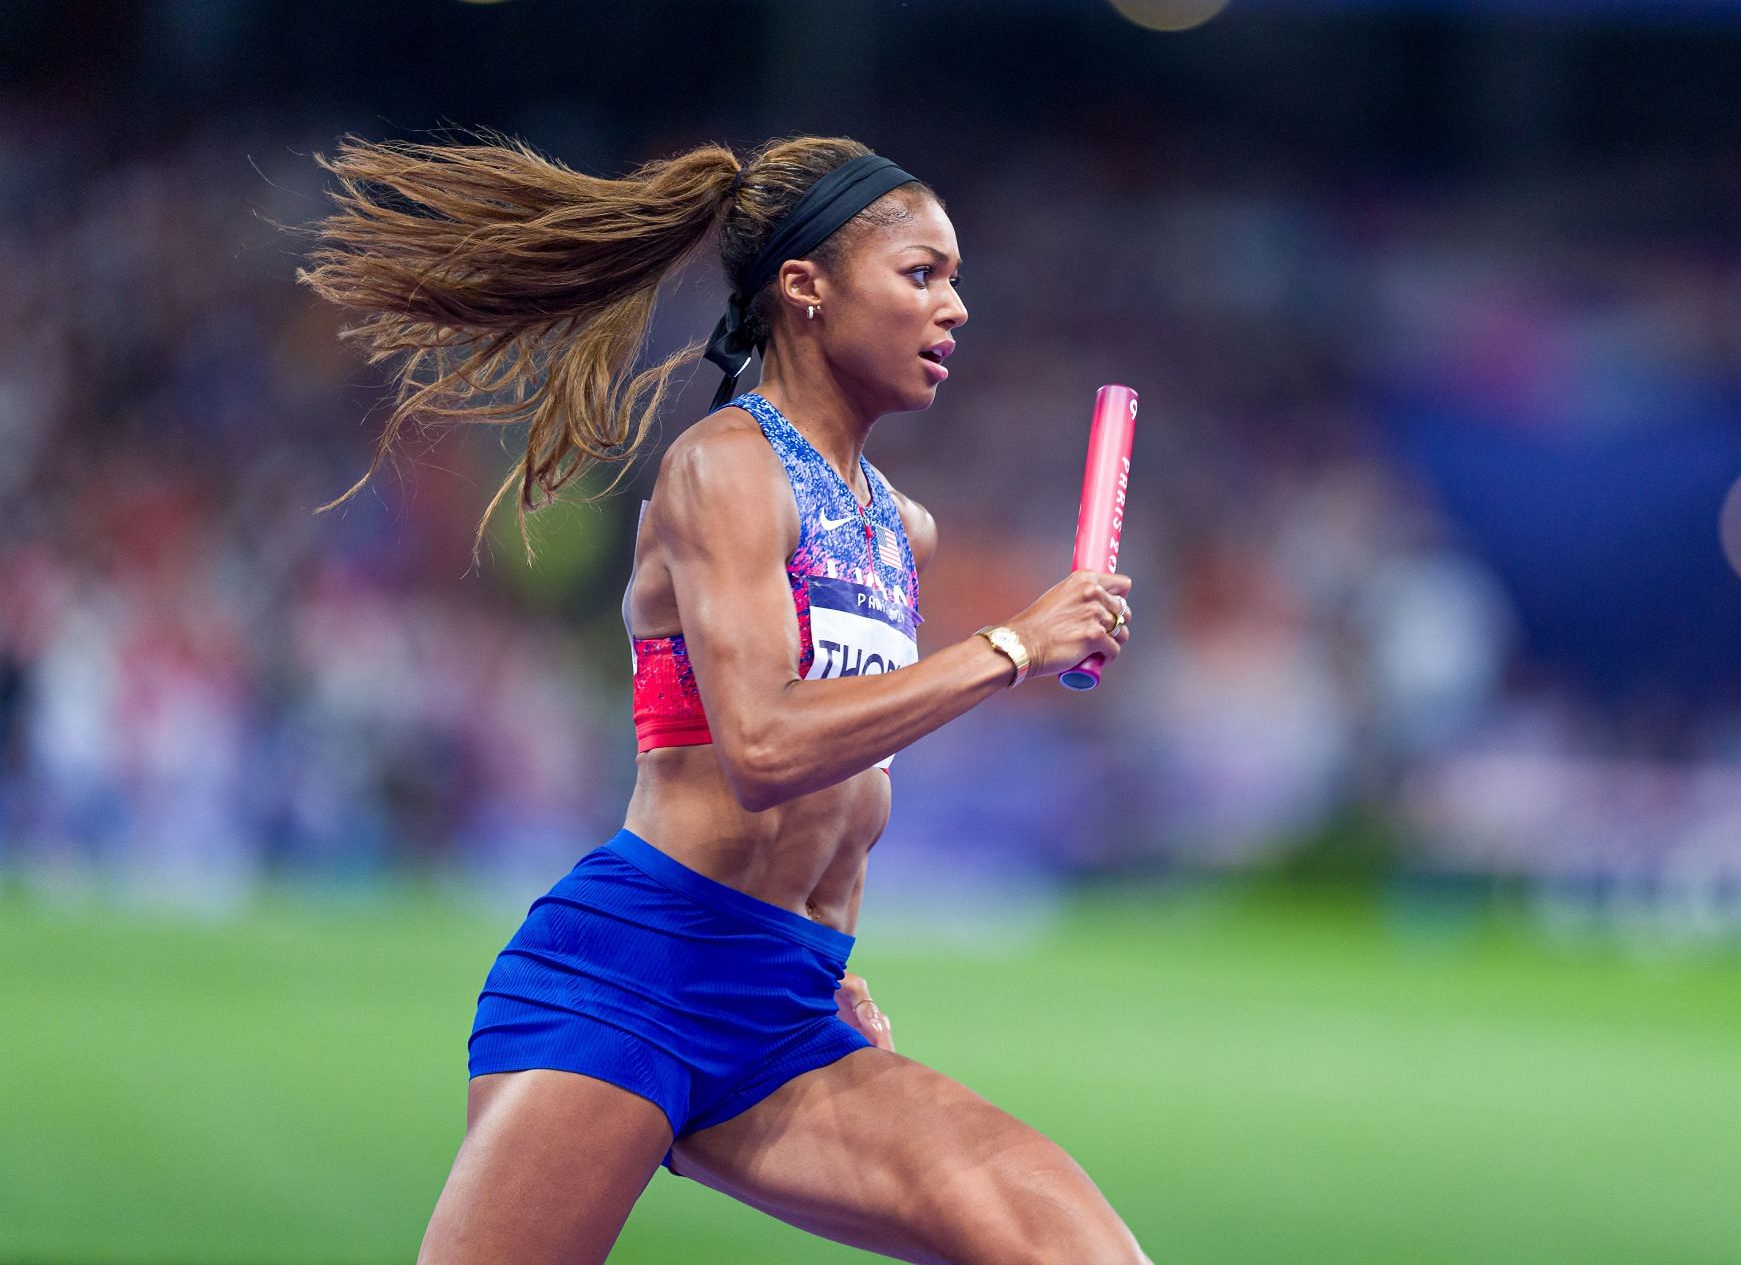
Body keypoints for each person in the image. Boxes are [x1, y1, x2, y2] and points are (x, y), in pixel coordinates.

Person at [295, 130, 1145, 1264]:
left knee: (1074, 1248)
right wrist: (1012, 643)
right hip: (629, 982)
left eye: (956, 278)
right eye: (922, 274)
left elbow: (840, 790)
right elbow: (762, 745)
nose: (957, 308)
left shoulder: (903, 529)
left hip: (787, 1008)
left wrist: (823, 944)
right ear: (805, 288)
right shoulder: (726, 467)